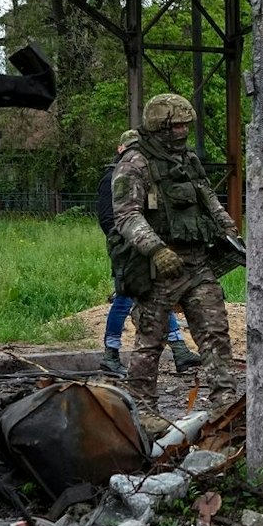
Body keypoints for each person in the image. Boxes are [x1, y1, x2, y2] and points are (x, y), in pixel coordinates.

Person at [110, 95, 240, 431]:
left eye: (186, 125)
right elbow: (126, 216)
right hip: (157, 269)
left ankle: (224, 401)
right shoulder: (135, 164)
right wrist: (156, 250)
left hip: (196, 263)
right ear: (159, 126)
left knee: (215, 332)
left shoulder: (188, 160)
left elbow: (207, 197)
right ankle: (143, 408)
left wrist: (228, 230)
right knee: (150, 341)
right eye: (177, 125)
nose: (183, 131)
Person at [96, 128, 195, 378]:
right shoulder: (112, 177)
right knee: (125, 298)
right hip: (129, 250)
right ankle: (110, 354)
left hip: (147, 246)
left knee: (159, 294)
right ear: (121, 150)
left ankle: (179, 350)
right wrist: (126, 244)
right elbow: (110, 219)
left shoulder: (144, 175)